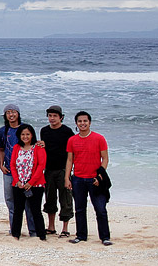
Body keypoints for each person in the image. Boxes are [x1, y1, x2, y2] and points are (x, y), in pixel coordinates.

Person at [65, 111, 112, 246]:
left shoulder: (99, 138)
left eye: (85, 121)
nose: (82, 123)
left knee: (100, 209)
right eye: (80, 121)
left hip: (94, 179)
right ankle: (81, 236)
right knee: (79, 209)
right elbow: (69, 160)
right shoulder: (72, 140)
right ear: (76, 123)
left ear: (89, 122)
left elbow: (105, 158)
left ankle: (105, 237)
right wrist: (67, 178)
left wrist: (100, 176)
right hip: (78, 178)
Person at [0, 103, 36, 237]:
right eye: (8, 112)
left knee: (28, 201)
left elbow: (33, 145)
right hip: (8, 170)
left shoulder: (25, 128)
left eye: (13, 112)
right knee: (10, 200)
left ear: (18, 114)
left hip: (25, 171)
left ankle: (33, 230)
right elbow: (1, 149)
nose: (11, 115)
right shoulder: (3, 130)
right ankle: (14, 229)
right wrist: (1, 165)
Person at [40, 105, 74, 237]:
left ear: (61, 117)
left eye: (55, 116)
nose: (52, 118)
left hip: (63, 169)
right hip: (48, 169)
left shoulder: (67, 131)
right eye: (50, 116)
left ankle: (65, 228)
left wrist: (68, 173)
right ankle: (51, 226)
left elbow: (71, 154)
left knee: (65, 198)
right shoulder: (44, 131)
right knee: (50, 198)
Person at [10, 124, 47, 241]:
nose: (25, 137)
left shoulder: (38, 147)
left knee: (35, 210)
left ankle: (41, 235)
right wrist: (17, 181)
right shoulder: (16, 147)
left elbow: (41, 166)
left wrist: (31, 182)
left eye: (27, 134)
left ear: (32, 135)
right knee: (18, 210)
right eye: (23, 134)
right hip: (19, 184)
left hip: (36, 184)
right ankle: (16, 234)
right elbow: (12, 165)